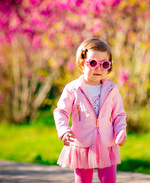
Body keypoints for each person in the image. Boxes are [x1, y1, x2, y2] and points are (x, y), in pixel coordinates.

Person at [53, 38, 127, 183]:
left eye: (104, 64)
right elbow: (61, 111)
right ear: (82, 64)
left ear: (109, 66)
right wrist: (64, 130)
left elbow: (119, 115)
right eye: (93, 63)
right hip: (82, 143)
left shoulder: (112, 89)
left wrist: (120, 131)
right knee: (83, 180)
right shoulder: (73, 88)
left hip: (107, 144)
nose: (98, 68)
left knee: (109, 179)